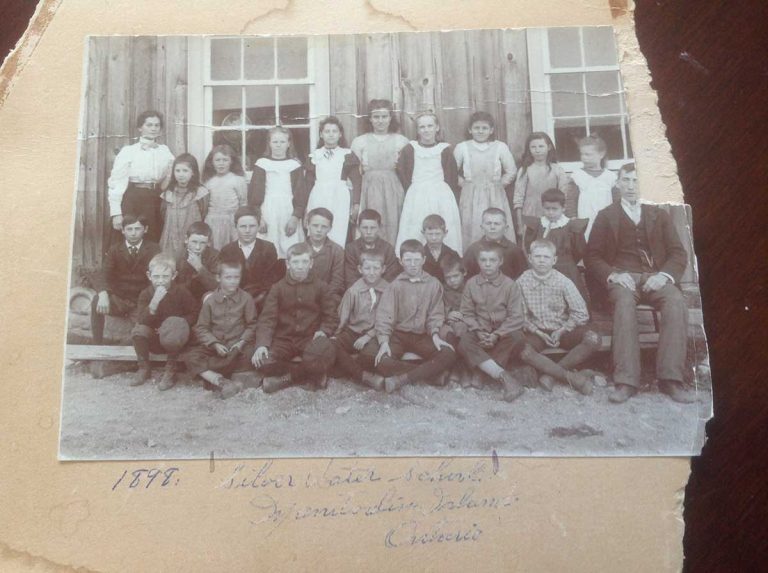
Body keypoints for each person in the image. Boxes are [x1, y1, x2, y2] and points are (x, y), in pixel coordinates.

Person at [586, 163, 693, 404]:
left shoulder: (659, 215)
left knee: (675, 301)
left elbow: (678, 253)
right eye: (627, 180)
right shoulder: (606, 216)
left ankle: (671, 379)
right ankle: (626, 381)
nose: (632, 186)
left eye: (637, 181)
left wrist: (662, 276)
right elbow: (592, 256)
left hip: (655, 278)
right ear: (618, 184)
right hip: (622, 279)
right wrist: (613, 274)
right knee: (624, 304)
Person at [359, 239, 456, 393]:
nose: (412, 264)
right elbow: (385, 317)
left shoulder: (433, 284)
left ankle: (402, 379)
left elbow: (435, 314)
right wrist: (384, 342)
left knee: (448, 353)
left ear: (423, 260)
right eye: (408, 260)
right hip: (399, 335)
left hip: (423, 335)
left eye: (416, 260)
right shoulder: (395, 285)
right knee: (380, 360)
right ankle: (430, 374)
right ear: (401, 261)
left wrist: (436, 335)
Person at [251, 242, 338, 393]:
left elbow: (331, 316)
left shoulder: (321, 287)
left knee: (324, 354)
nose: (300, 266)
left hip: (309, 338)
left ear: (311, 263)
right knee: (263, 361)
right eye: (295, 262)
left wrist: (324, 331)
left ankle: (287, 379)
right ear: (288, 264)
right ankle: (311, 374)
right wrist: (262, 345)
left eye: (304, 262)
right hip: (284, 339)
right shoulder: (278, 288)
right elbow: (267, 319)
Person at [516, 240, 598, 394]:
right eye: (537, 256)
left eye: (546, 257)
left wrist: (563, 330)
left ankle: (551, 375)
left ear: (554, 260)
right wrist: (537, 332)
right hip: (536, 332)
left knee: (593, 338)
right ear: (530, 258)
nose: (541, 260)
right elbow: (520, 316)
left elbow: (581, 313)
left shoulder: (563, 281)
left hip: (563, 330)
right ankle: (570, 377)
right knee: (521, 348)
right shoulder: (522, 281)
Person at [457, 243, 527, 401]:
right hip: (480, 333)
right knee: (464, 341)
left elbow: (516, 316)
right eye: (483, 260)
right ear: (478, 261)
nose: (487, 264)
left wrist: (497, 334)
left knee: (518, 338)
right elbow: (466, 312)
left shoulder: (510, 285)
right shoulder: (471, 284)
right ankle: (505, 377)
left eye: (492, 260)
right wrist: (478, 330)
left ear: (500, 261)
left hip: (502, 334)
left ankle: (481, 372)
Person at [183, 259, 257, 399]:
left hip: (237, 347)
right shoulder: (210, 301)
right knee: (191, 357)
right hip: (216, 348)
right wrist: (214, 344)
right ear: (218, 278)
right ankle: (221, 381)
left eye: (236, 277)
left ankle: (224, 376)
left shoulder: (246, 299)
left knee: (251, 355)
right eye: (228, 277)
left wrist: (240, 342)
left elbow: (252, 325)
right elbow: (202, 328)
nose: (233, 281)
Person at [395, 111, 462, 255]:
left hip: (441, 195)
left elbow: (451, 176)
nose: (426, 130)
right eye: (422, 127)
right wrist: (414, 189)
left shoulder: (445, 150)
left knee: (442, 225)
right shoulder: (410, 149)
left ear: (437, 127)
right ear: (417, 130)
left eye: (430, 126)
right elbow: (403, 172)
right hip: (417, 194)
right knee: (415, 227)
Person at [131, 254, 198, 390]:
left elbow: (194, 313)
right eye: (156, 277)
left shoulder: (181, 292)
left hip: (176, 340)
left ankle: (170, 370)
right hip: (156, 339)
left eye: (165, 277)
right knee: (138, 331)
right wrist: (154, 302)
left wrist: (174, 325)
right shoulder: (146, 293)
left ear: (173, 276)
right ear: (149, 276)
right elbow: (142, 320)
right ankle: (143, 368)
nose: (160, 281)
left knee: (173, 326)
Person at [90, 215, 161, 344]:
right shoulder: (115, 250)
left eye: (137, 229)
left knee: (140, 336)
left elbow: (157, 276)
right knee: (96, 301)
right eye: (129, 229)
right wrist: (103, 293)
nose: (133, 233)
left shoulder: (154, 249)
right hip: (120, 299)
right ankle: (97, 344)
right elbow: (102, 274)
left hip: (141, 300)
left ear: (145, 229)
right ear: (122, 230)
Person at [107, 110, 175, 243]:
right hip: (134, 198)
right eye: (149, 125)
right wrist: (116, 213)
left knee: (152, 238)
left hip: (156, 198)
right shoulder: (129, 151)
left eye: (157, 125)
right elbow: (116, 183)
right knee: (131, 237)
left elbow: (171, 174)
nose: (153, 128)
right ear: (140, 128)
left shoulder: (164, 151)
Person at [454, 111, 517, 247]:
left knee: (495, 224)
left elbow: (511, 171)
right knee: (473, 225)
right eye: (477, 128)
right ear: (470, 130)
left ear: (491, 130)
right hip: (470, 195)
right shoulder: (462, 147)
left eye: (484, 128)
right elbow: (452, 171)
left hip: (494, 194)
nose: (480, 131)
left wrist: (499, 184)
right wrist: (465, 185)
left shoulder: (500, 147)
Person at [350, 99, 409, 245]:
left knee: (393, 224)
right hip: (369, 189)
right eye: (376, 117)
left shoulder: (401, 141)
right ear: (370, 119)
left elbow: (407, 171)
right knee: (370, 224)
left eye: (384, 116)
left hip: (393, 189)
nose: (380, 121)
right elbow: (355, 174)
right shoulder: (360, 142)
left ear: (390, 118)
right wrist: (356, 202)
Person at [248, 126, 307, 259]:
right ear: (269, 143)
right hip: (267, 210)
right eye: (275, 142)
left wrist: (295, 217)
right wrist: (259, 218)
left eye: (282, 142)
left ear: (288, 144)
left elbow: (300, 195)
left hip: (288, 211)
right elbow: (254, 194)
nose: (278, 145)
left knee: (290, 247)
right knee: (268, 247)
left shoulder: (294, 165)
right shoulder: (262, 164)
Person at [332, 251, 388, 389]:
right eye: (367, 268)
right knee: (331, 346)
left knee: (368, 357)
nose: (372, 272)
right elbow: (343, 316)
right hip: (353, 332)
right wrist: (335, 335)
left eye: (376, 268)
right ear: (360, 269)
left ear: (383, 269)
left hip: (376, 333)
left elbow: (388, 319)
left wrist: (368, 336)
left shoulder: (388, 290)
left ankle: (346, 368)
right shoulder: (354, 291)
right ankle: (363, 376)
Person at [522, 188, 589, 302]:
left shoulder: (572, 227)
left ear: (563, 208)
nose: (551, 212)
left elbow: (579, 250)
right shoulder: (537, 226)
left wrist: (567, 261)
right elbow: (530, 247)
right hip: (541, 268)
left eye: (555, 209)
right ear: (542, 207)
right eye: (547, 209)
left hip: (566, 269)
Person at [305, 116, 362, 247]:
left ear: (340, 134)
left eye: (334, 131)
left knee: (338, 229)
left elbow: (357, 181)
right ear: (321, 134)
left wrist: (356, 204)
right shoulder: (315, 156)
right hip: (318, 195)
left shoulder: (347, 154)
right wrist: (305, 208)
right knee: (318, 226)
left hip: (339, 196)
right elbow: (308, 184)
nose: (331, 135)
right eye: (327, 131)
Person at [219, 206, 283, 308]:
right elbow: (226, 280)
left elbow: (270, 280)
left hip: (261, 298)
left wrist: (259, 297)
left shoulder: (268, 248)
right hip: (234, 298)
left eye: (252, 226)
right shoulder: (227, 250)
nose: (247, 230)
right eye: (243, 226)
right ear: (236, 227)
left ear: (258, 227)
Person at [512, 132, 569, 239]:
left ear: (549, 147)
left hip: (552, 216)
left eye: (541, 146)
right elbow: (518, 199)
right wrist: (520, 225)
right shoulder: (525, 170)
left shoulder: (557, 170)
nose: (537, 150)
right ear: (529, 149)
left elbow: (564, 196)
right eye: (533, 147)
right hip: (530, 216)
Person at [567, 134, 616, 240]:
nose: (584, 158)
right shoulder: (577, 176)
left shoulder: (611, 177)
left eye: (588, 155)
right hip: (584, 220)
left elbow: (617, 202)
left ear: (601, 154)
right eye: (582, 154)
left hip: (607, 222)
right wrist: (573, 219)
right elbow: (571, 201)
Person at [159, 153, 209, 255]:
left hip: (192, 232)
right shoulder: (168, 193)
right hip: (171, 234)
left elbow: (204, 212)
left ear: (193, 172)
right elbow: (163, 213)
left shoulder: (200, 193)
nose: (181, 174)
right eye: (177, 171)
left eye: (185, 171)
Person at [202, 144, 248, 249]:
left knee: (233, 250)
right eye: (217, 160)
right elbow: (205, 204)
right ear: (212, 162)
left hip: (232, 221)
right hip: (212, 221)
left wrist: (241, 222)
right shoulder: (208, 181)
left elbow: (243, 203)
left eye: (225, 160)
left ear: (231, 161)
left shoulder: (237, 180)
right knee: (215, 250)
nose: (221, 163)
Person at [463, 208, 527, 280]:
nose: (492, 227)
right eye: (488, 223)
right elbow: (465, 277)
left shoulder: (514, 250)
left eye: (497, 224)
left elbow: (522, 277)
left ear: (506, 228)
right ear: (482, 227)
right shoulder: (473, 250)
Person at [343, 209, 400, 288]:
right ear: (359, 228)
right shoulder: (351, 249)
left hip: (382, 291)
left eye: (372, 228)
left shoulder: (388, 248)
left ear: (379, 228)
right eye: (365, 228)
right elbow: (351, 278)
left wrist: (377, 290)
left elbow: (390, 277)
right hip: (359, 292)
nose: (369, 232)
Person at [438, 253, 472, 386]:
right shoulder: (441, 289)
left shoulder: (470, 287)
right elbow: (436, 307)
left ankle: (463, 370)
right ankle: (458, 369)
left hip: (466, 323)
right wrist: (447, 314)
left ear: (464, 273)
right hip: (446, 323)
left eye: (455, 276)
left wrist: (465, 315)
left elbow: (477, 306)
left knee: (461, 331)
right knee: (450, 334)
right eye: (448, 278)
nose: (452, 281)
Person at [304, 207, 345, 302]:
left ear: (330, 228)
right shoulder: (299, 249)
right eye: (315, 225)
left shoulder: (337, 250)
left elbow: (337, 280)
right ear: (307, 225)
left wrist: (322, 296)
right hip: (303, 295)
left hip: (328, 295)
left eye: (324, 227)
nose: (319, 230)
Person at [174, 221, 220, 302]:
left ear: (208, 243)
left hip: (205, 297)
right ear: (186, 240)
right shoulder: (178, 256)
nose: (198, 247)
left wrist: (199, 267)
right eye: (194, 242)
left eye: (202, 243)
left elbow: (216, 286)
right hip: (183, 298)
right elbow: (174, 284)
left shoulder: (215, 256)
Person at [421, 214, 461, 283]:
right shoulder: (419, 255)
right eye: (430, 234)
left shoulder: (452, 254)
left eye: (437, 234)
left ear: (445, 233)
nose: (434, 238)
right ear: (423, 233)